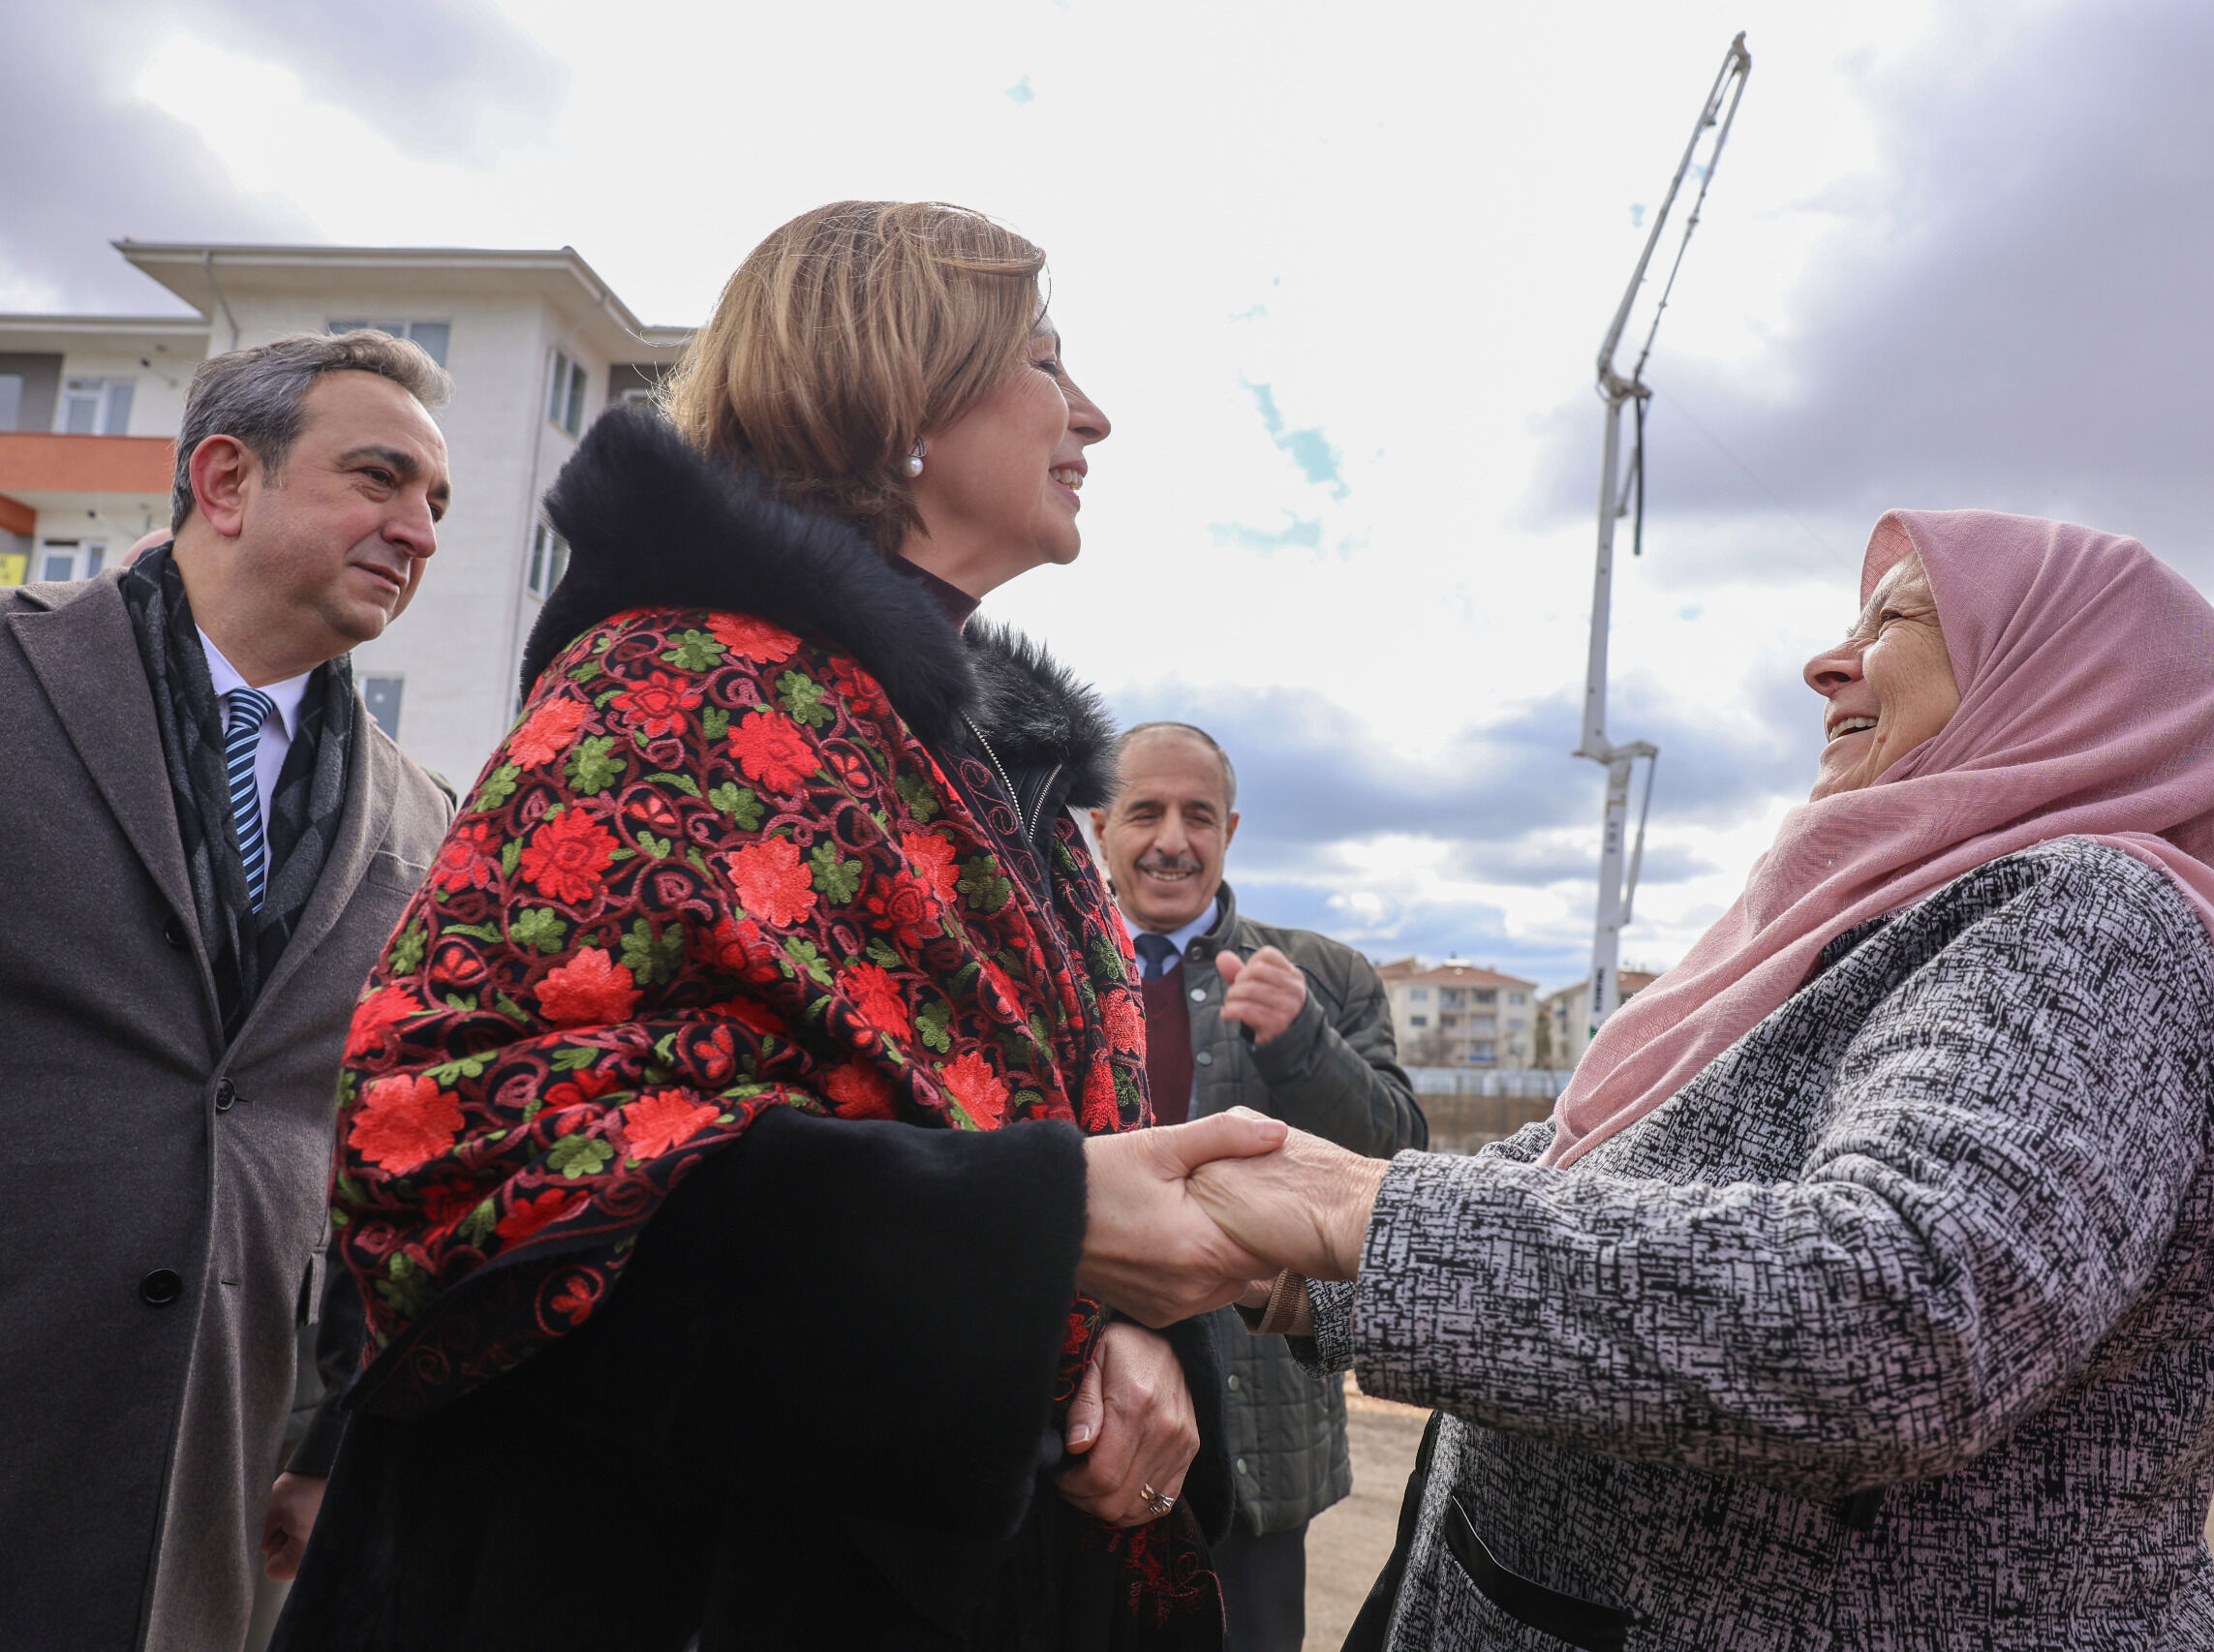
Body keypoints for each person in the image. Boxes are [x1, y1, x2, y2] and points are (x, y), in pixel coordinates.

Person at [271, 201, 1280, 1652]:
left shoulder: (1000, 766)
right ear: (904, 395)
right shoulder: (671, 690)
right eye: (1046, 362)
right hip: (679, 1573)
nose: (1094, 415)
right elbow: (451, 1139)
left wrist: (1123, 1325)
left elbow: (1049, 1122)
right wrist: (1041, 1230)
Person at [1183, 511, 2214, 1648]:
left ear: (2071, 674)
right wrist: (1287, 1269)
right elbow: (1585, 1164)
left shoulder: (2090, 916)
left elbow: (1899, 1308)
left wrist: (1355, 1211)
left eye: (1895, 623)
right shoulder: (1862, 917)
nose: (1828, 663)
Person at [0, 332, 457, 1652]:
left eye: (436, 502)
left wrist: (333, 1432)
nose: (416, 529)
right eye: (381, 478)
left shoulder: (426, 821)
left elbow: (393, 1141)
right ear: (224, 477)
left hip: (213, 1471)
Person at [1090, 722, 1427, 1652]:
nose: (1172, 840)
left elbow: (1401, 1160)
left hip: (1258, 1437)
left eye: (1197, 815)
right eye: (1145, 812)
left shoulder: (1325, 974)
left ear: (1229, 830)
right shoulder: (1044, 964)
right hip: (1074, 1413)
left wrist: (1303, 1046)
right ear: (1099, 825)